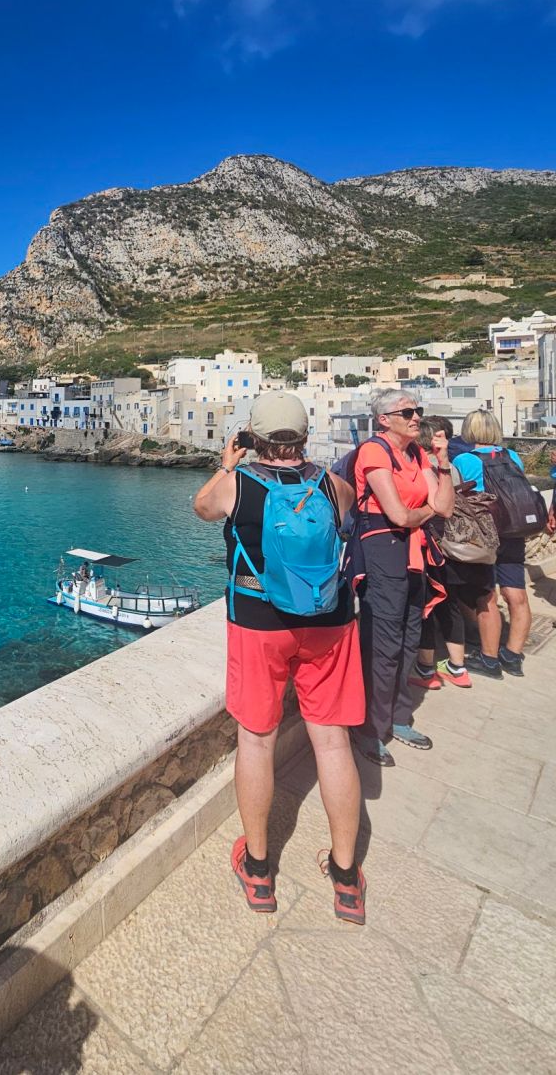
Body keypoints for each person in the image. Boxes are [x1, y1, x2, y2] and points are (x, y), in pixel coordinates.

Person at [193, 391, 367, 925]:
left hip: (259, 624)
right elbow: (346, 524)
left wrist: (228, 462)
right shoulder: (334, 486)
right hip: (329, 623)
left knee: (257, 739)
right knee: (333, 741)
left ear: (254, 437)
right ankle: (345, 879)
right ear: (304, 436)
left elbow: (201, 508)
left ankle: (260, 868)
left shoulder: (237, 485)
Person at [351, 391, 454, 767]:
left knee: (410, 636)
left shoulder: (419, 454)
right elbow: (397, 515)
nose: (416, 417)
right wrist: (424, 511)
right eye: (407, 412)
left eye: (418, 411)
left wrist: (442, 463)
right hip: (382, 554)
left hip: (413, 554)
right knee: (383, 643)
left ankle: (398, 717)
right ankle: (368, 728)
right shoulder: (374, 452)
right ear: (383, 419)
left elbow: (445, 506)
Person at [451, 410, 532, 678]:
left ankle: (489, 658)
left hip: (486, 534)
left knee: (488, 597)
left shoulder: (464, 459)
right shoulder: (513, 456)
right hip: (514, 530)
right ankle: (513, 655)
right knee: (516, 594)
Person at [409, 417, 479, 690]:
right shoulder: (448, 468)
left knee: (426, 607)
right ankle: (457, 667)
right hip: (455, 546)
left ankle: (426, 670)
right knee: (449, 606)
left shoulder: (420, 467)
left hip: (432, 547)